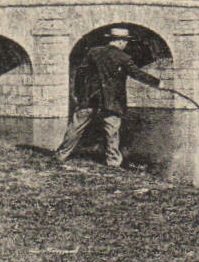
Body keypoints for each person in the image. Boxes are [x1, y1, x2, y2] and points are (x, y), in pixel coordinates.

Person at [56, 27, 162, 167]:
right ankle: (112, 161)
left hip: (89, 97)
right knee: (112, 131)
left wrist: (78, 93)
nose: (126, 44)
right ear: (119, 41)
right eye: (125, 41)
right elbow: (137, 74)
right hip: (111, 101)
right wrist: (157, 83)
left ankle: (61, 156)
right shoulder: (124, 58)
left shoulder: (93, 52)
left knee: (76, 127)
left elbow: (80, 74)